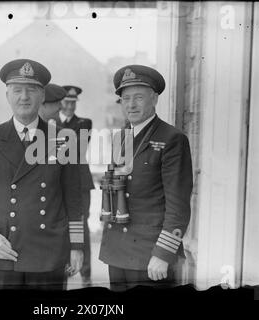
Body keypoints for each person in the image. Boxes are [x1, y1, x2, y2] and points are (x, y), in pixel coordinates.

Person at [0, 59, 84, 291]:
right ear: (7, 95)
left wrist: (77, 246)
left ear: (42, 96)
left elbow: (74, 199)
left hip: (48, 253)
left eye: (31, 91)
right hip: (3, 250)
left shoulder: (63, 139)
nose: (24, 97)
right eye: (17, 90)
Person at [99, 65, 193, 291]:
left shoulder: (172, 139)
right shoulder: (120, 137)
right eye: (126, 98)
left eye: (139, 97)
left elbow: (178, 204)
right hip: (117, 252)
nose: (131, 105)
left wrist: (163, 253)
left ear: (154, 99)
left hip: (150, 255)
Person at [58, 85, 95, 287]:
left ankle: (86, 274)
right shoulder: (50, 123)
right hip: (59, 182)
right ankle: (63, 269)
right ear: (60, 103)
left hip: (80, 183)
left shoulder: (84, 123)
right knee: (61, 226)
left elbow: (73, 148)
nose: (70, 106)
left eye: (73, 103)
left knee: (81, 226)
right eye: (66, 102)